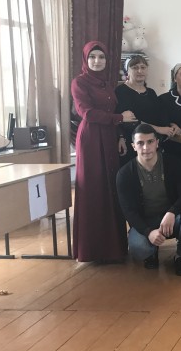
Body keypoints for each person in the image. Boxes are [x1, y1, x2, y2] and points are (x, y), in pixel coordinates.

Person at [71, 41, 137, 262]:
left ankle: (113, 248)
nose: (97, 61)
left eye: (101, 57)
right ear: (85, 59)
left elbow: (111, 110)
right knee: (94, 189)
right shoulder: (79, 82)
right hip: (91, 138)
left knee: (111, 188)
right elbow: (87, 113)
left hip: (109, 136)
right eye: (92, 57)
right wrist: (120, 119)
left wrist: (120, 136)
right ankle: (92, 250)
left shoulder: (107, 84)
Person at [116, 124, 181, 276]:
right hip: (145, 222)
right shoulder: (124, 174)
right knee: (139, 249)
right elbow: (128, 212)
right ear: (133, 146)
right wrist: (148, 232)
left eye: (150, 142)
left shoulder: (173, 163)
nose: (146, 147)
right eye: (140, 143)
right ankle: (152, 250)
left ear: (157, 143)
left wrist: (172, 212)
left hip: (171, 220)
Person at [115, 55, 174, 166]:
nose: (140, 71)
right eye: (135, 67)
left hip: (151, 144)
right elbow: (130, 122)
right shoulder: (120, 91)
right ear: (127, 71)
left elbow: (160, 115)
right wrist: (159, 129)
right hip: (132, 143)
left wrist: (172, 125)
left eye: (143, 67)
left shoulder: (151, 92)